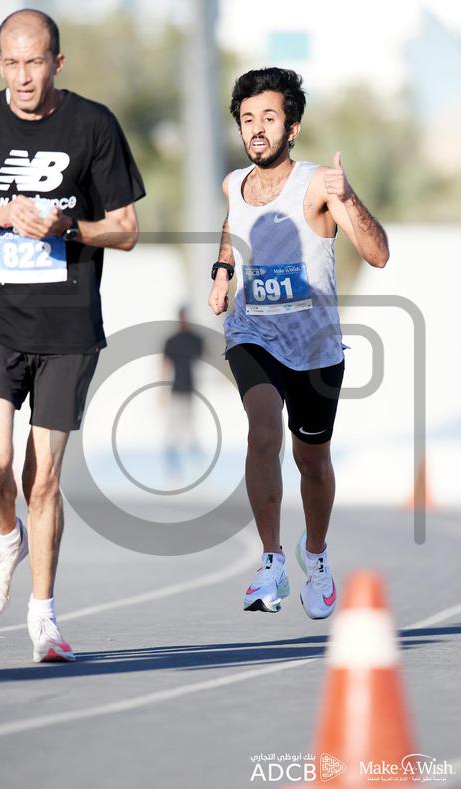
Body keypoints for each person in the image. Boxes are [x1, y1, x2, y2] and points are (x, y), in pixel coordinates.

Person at [0, 9, 145, 662]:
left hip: (68, 328)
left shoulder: (92, 124)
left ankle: (44, 617)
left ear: (57, 62)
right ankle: (7, 539)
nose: (23, 77)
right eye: (11, 63)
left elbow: (127, 228)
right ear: (0, 63)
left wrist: (68, 228)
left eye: (34, 63)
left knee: (43, 480)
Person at [208, 68, 388, 619]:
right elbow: (232, 224)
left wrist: (348, 196)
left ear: (292, 129)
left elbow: (378, 255)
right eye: (247, 119)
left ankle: (316, 554)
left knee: (312, 460)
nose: (257, 129)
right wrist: (222, 270)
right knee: (262, 433)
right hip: (253, 333)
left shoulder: (316, 185)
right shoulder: (233, 183)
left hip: (314, 348)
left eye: (269, 117)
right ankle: (271, 560)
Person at [162, 307, 204, 473]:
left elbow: (203, 363)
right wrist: (162, 392)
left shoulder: (195, 339)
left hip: (191, 390)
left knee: (190, 427)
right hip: (176, 390)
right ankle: (174, 467)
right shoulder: (172, 341)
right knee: (173, 429)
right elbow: (165, 366)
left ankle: (196, 466)